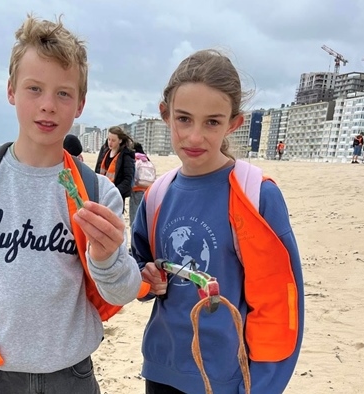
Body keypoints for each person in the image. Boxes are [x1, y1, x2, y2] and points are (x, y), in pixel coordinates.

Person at [0, 14, 143, 394]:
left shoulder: (96, 191)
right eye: (34, 89)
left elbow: (122, 292)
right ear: (11, 91)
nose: (48, 105)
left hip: (72, 376)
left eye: (63, 93)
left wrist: (107, 258)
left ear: (80, 104)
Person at [131, 49, 304, 393]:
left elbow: (279, 307)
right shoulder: (157, 195)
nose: (195, 136)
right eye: (183, 119)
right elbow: (138, 264)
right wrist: (147, 280)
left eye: (212, 121)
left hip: (226, 379)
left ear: (233, 123)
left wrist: (260, 387)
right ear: (165, 115)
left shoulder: (257, 195)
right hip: (160, 369)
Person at [95, 126, 135, 208]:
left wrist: (114, 192)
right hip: (100, 194)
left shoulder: (126, 156)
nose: (110, 143)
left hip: (116, 197)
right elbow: (97, 171)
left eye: (113, 140)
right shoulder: (104, 151)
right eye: (109, 139)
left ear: (120, 140)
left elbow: (128, 179)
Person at [129, 142, 153, 226]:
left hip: (136, 189)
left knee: (134, 216)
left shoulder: (134, 158)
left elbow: (131, 174)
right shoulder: (146, 159)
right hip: (147, 190)